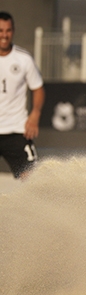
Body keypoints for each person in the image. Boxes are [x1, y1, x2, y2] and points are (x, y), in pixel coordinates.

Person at [0, 11, 45, 179]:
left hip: (17, 130)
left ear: (13, 31)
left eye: (8, 30)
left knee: (33, 180)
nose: (4, 35)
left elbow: (38, 88)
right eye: (0, 30)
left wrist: (35, 115)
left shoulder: (24, 59)